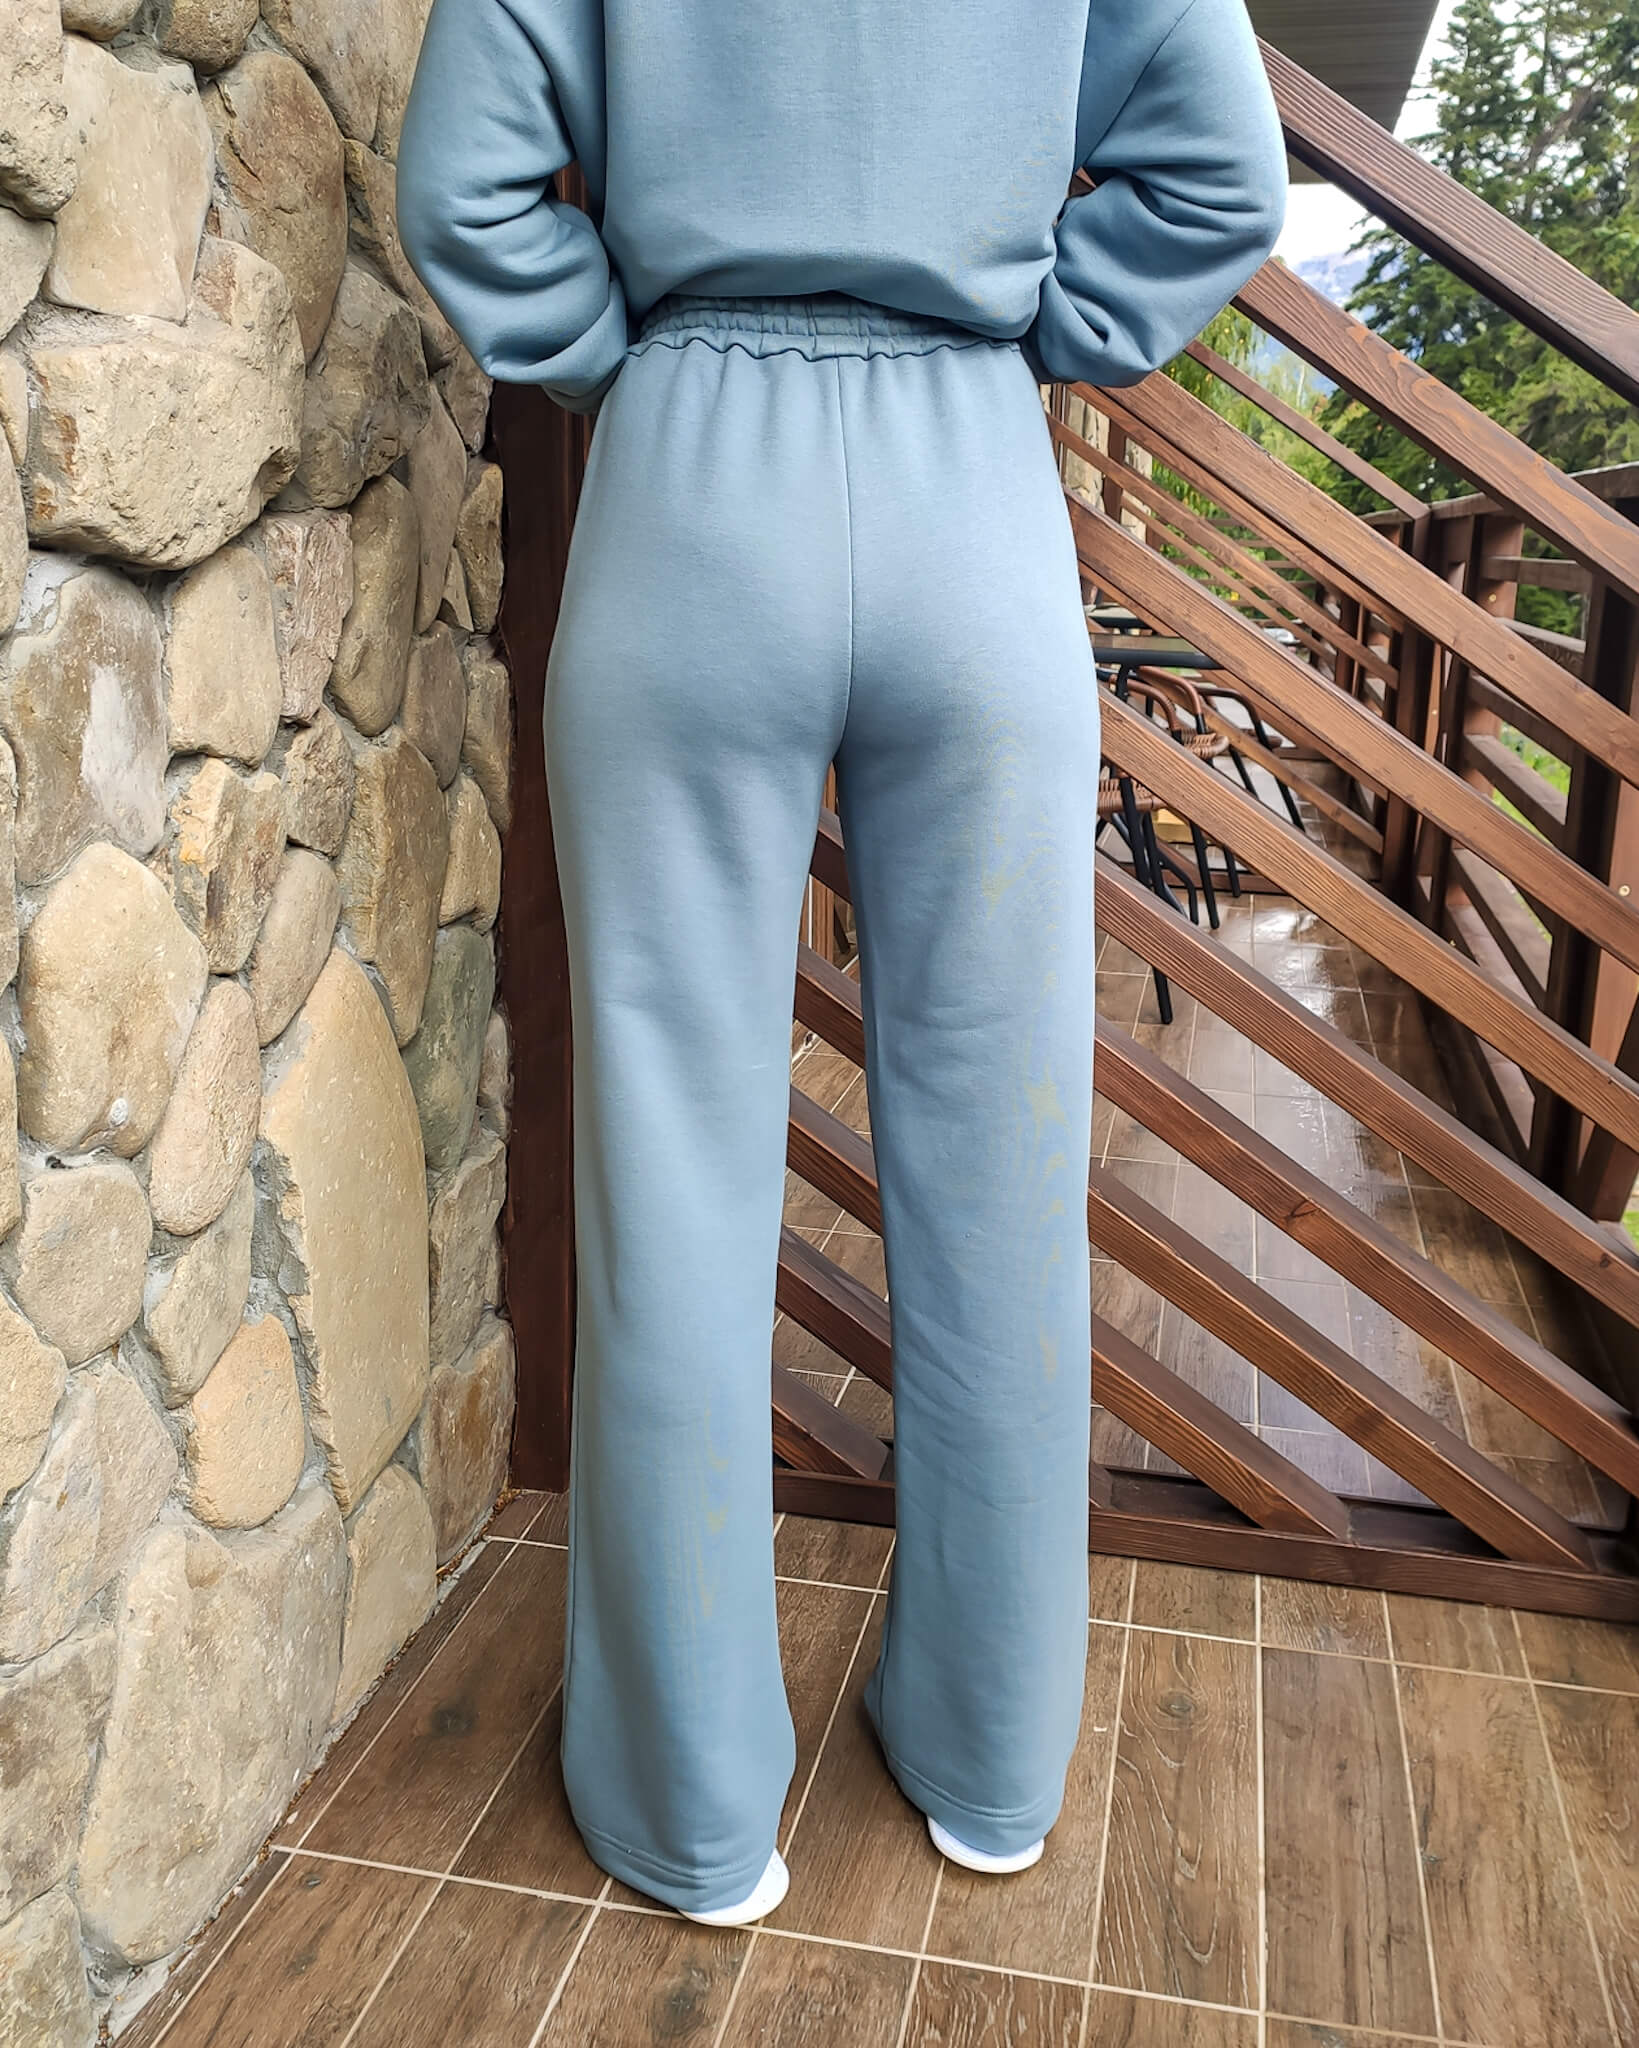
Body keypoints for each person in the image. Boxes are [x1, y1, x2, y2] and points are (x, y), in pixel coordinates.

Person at [397, 0, 1286, 1928]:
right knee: (999, 1165)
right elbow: (1223, 176)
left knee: (672, 1165)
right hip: (972, 478)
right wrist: (1031, 332)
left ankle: (691, 1804)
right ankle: (991, 1755)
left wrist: (626, 361)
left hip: (691, 485)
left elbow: (465, 183)